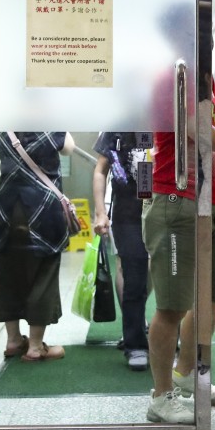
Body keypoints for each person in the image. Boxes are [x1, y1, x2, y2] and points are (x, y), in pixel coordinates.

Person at [143, 75, 215, 424]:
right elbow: (201, 133)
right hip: (176, 199)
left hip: (212, 202)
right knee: (171, 306)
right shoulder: (174, 76)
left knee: (213, 299)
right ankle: (161, 397)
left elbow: (212, 131)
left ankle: (186, 375)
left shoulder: (205, 77)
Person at [0, 131, 76, 363]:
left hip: (8, 211)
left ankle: (13, 340)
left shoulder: (2, 130)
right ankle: (35, 347)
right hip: (42, 210)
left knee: (8, 274)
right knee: (43, 275)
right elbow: (69, 148)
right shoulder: (50, 128)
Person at [91, 131, 150, 371]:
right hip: (127, 215)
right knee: (133, 277)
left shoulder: (168, 121)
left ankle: (166, 334)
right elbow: (100, 170)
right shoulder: (117, 129)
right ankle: (135, 344)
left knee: (169, 277)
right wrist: (100, 213)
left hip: (165, 210)